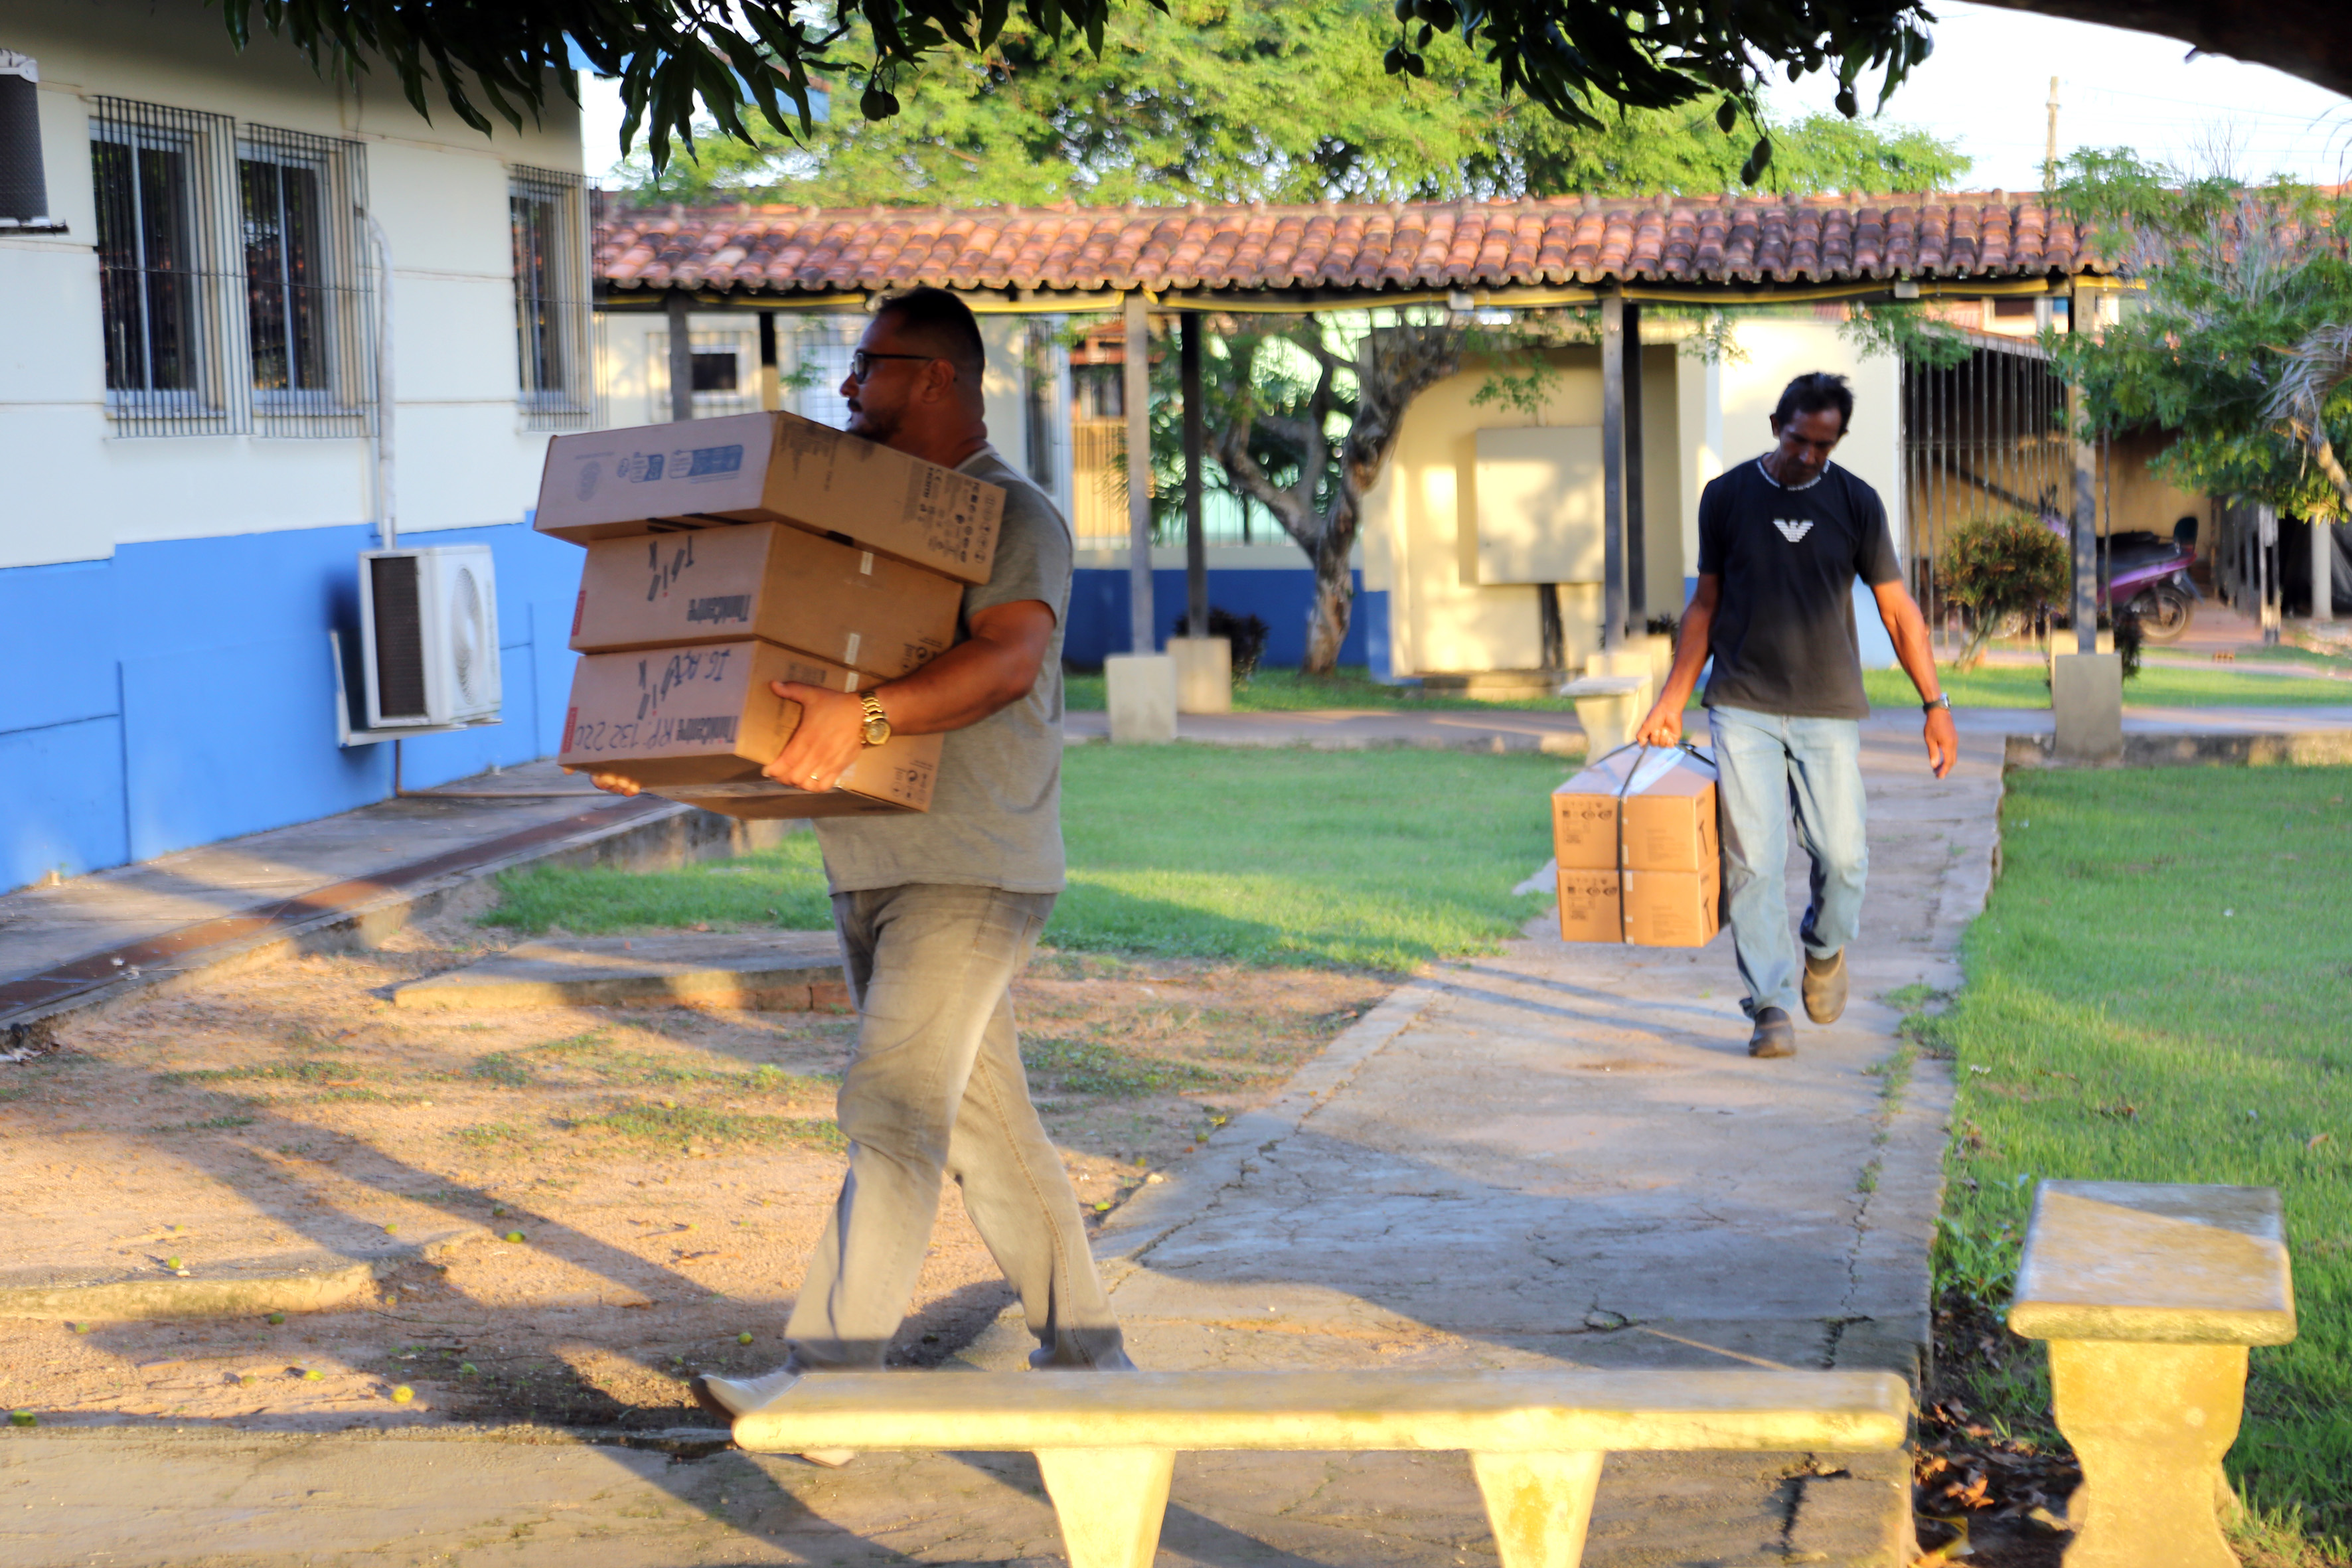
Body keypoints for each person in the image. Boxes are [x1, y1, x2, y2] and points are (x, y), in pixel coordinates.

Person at [589, 287, 1132, 1449]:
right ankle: (1094, 1365)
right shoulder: (874, 531)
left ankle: (833, 1385)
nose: (848, 389)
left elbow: (1005, 659)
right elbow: (788, 672)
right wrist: (666, 744)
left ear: (938, 375)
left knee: (889, 1109)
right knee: (987, 1130)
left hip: (972, 870)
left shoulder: (1009, 512)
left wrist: (872, 720)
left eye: (870, 366)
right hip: (874, 860)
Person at [1632, 372, 1956, 1060]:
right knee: (1753, 861)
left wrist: (1936, 704)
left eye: (1824, 445)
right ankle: (1770, 1003)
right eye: (1799, 439)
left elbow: (1898, 612)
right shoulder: (1726, 497)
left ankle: (1825, 948)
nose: (1809, 455)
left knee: (1845, 858)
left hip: (1827, 706)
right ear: (1777, 422)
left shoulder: (1857, 504)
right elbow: (1704, 606)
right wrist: (1670, 699)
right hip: (1742, 701)